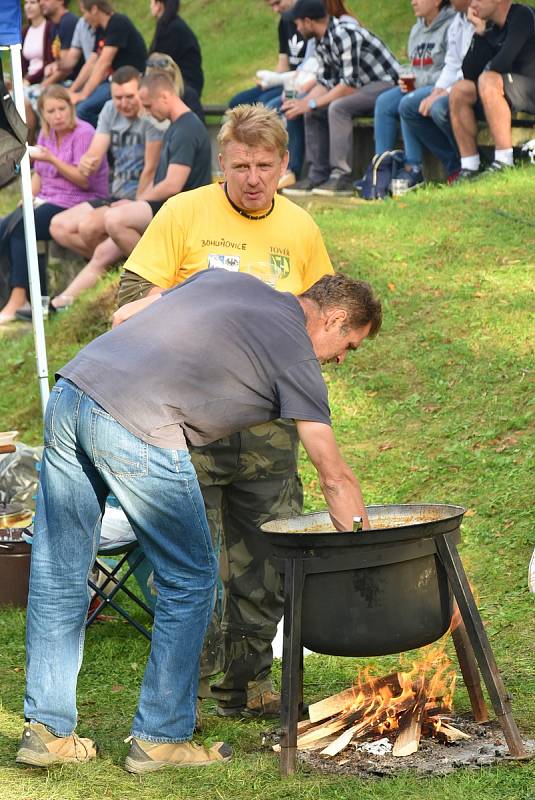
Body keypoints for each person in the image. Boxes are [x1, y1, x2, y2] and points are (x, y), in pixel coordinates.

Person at [16, 267, 381, 772]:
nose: (341, 360)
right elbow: (334, 476)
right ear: (335, 318)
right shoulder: (298, 353)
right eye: (349, 346)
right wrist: (370, 556)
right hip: (139, 421)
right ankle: (160, 738)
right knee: (190, 577)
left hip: (73, 390)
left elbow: (126, 314)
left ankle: (48, 733)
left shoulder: (233, 283)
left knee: (60, 570)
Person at [115, 103, 335, 719]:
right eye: (240, 166)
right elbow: (131, 300)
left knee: (267, 558)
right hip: (187, 427)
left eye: (265, 165)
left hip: (270, 434)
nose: (253, 178)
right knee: (193, 562)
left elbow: (322, 322)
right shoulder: (184, 213)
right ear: (222, 164)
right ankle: (193, 684)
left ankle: (250, 682)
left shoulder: (300, 230)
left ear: (285, 165)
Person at [55, 69, 211, 295]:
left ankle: (158, 276)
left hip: (181, 212)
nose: (146, 112)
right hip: (168, 208)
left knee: (115, 220)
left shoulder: (186, 129)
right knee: (101, 254)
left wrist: (136, 202)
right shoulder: (176, 125)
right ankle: (60, 303)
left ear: (165, 97)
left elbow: (172, 185)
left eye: (147, 106)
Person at [38, 67, 163, 313]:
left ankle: (108, 266)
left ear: (141, 91)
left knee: (88, 227)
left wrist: (136, 204)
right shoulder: (108, 110)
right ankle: (112, 262)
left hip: (138, 198)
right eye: (118, 97)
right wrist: (88, 161)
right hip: (113, 193)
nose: (124, 103)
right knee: (58, 226)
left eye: (130, 96)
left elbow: (150, 170)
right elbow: (97, 149)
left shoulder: (150, 119)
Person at [0, 86, 108, 325]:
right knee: (4, 227)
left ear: (71, 108)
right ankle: (8, 295)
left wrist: (52, 159)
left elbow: (83, 180)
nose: (57, 115)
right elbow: (41, 174)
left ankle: (21, 298)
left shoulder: (84, 133)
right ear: (43, 114)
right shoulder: (46, 135)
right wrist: (29, 195)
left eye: (62, 108)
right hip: (49, 198)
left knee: (22, 227)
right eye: (51, 111)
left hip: (78, 201)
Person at [281, 0, 400, 196]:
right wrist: (302, 103)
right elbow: (325, 82)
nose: (297, 28)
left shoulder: (345, 33)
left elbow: (348, 85)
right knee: (313, 109)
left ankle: (341, 177)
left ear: (309, 22)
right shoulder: (321, 40)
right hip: (362, 86)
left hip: (386, 85)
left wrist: (310, 103)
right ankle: (317, 174)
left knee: (338, 107)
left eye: (298, 23)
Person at [369, 0, 455, 192]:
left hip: (440, 87)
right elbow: (413, 67)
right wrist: (407, 78)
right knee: (384, 102)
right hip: (417, 85)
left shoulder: (451, 26)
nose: (413, 1)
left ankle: (412, 167)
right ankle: (382, 168)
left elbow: (451, 70)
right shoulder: (417, 29)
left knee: (408, 102)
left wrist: (419, 81)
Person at [449, 0, 535, 180]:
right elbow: (469, 74)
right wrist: (479, 33)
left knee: (488, 79)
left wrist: (486, 74)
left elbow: (502, 62)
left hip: (530, 88)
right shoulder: (491, 28)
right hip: (507, 89)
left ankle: (504, 161)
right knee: (460, 90)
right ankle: (470, 166)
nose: (472, 4)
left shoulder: (522, 16)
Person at [397, 0, 474, 182]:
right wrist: (437, 91)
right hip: (442, 85)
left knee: (435, 108)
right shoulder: (458, 22)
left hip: (472, 86)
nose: (413, 1)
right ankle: (387, 167)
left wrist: (441, 92)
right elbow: (451, 64)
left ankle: (464, 164)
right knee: (397, 104)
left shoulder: (469, 21)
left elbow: (470, 68)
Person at [72, 0, 147, 128]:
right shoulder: (101, 29)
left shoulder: (118, 22)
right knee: (73, 104)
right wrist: (71, 91)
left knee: (82, 110)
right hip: (113, 80)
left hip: (128, 82)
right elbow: (91, 63)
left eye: (84, 12)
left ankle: (108, 138)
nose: (83, 18)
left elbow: (103, 63)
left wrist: (83, 95)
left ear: (94, 9)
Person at [24, 0, 79, 141]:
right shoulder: (55, 25)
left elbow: (67, 67)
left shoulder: (68, 22)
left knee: (29, 100)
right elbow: (57, 62)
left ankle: (36, 147)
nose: (42, 2)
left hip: (69, 81)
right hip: (54, 80)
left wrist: (44, 84)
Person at [148, 0, 204, 98]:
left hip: (184, 85)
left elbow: (160, 62)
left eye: (151, 2)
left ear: (159, 5)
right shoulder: (169, 26)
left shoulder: (173, 29)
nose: (150, 6)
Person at [21, 0, 54, 87]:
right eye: (26, 3)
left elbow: (49, 62)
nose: (28, 6)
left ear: (41, 4)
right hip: (27, 80)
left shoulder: (49, 27)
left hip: (44, 80)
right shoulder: (25, 31)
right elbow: (23, 64)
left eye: (33, 2)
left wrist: (29, 80)